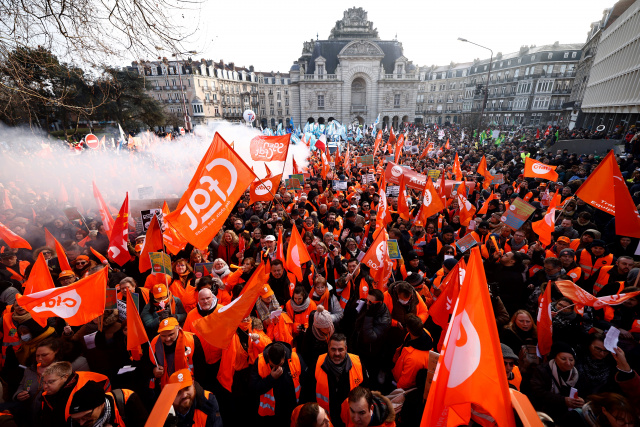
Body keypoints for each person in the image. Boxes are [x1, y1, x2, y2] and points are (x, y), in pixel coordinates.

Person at [314, 334, 365, 427]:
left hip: (351, 420)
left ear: (346, 349)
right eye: (333, 349)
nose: (337, 353)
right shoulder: (316, 364)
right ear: (328, 348)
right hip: (326, 421)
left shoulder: (358, 363)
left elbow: (367, 393)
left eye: (340, 349)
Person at [250, 341, 304, 426]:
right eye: (273, 365)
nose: (277, 368)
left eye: (280, 364)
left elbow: (305, 382)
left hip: (292, 409)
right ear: (268, 356)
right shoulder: (260, 362)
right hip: (272, 415)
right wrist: (271, 378)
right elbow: (254, 389)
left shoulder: (295, 358)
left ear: (284, 355)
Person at [529, 342, 584, 422]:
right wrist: (563, 400)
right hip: (545, 411)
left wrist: (581, 401)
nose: (568, 363)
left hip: (567, 414)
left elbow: (585, 392)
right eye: (563, 359)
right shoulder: (542, 370)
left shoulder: (577, 374)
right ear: (555, 358)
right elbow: (537, 392)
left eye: (571, 360)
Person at [149, 317, 206, 390]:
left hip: (188, 387)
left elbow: (201, 368)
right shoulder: (154, 343)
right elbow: (146, 365)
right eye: (163, 336)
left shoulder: (192, 340)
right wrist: (153, 371)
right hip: (165, 388)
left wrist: (198, 388)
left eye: (171, 334)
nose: (167, 339)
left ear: (178, 328)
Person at [66, 379, 148, 427]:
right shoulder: (72, 423)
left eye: (87, 416)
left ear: (102, 404)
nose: (81, 423)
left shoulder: (127, 401)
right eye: (77, 419)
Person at [391, 314, 432, 390]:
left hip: (399, 384)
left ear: (408, 329)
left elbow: (406, 382)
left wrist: (396, 389)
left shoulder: (413, 359)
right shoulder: (425, 333)